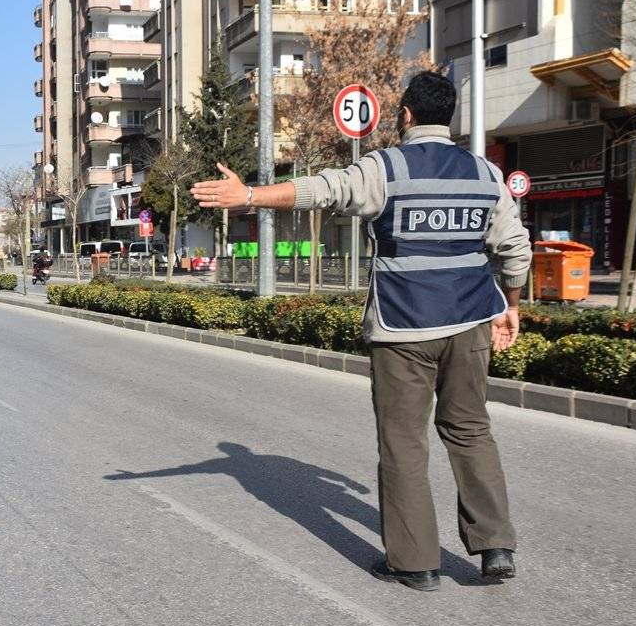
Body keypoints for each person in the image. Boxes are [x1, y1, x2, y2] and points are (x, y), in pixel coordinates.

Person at [190, 71, 531, 592]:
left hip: (405, 326)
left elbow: (322, 190)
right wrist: (510, 303)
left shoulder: (385, 168)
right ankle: (496, 547)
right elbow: (514, 247)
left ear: (407, 116)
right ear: (450, 118)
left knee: (403, 442)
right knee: (470, 429)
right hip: (470, 323)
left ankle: (416, 564)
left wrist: (250, 194)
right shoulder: (486, 173)